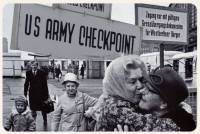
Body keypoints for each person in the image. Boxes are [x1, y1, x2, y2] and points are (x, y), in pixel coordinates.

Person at [85, 55, 180, 131]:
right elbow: (169, 128)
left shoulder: (125, 101)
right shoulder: (114, 109)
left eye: (141, 79)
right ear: (117, 84)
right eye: (132, 81)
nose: (140, 85)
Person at [138, 67, 196, 131]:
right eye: (144, 86)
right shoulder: (135, 110)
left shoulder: (181, 127)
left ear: (163, 103)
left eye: (148, 90)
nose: (141, 91)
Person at [24, 61, 49, 126]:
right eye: (33, 65)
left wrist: (46, 96)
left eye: (35, 65)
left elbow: (45, 85)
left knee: (43, 109)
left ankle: (45, 120)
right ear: (31, 66)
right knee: (33, 108)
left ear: (37, 66)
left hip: (41, 94)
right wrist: (25, 94)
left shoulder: (42, 73)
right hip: (32, 94)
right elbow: (26, 83)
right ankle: (33, 122)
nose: (34, 66)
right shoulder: (28, 73)